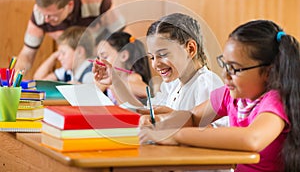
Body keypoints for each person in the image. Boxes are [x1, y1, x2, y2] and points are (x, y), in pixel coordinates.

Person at [139, 20, 300, 172]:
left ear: (268, 72)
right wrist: (161, 123)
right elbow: (193, 117)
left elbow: (252, 139)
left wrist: (177, 136)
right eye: (225, 65)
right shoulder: (229, 95)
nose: (225, 75)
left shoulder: (275, 101)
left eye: (235, 69)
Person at [93, 13, 224, 114]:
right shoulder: (172, 84)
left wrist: (174, 118)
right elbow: (145, 111)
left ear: (190, 49)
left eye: (163, 55)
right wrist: (115, 81)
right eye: (152, 58)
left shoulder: (207, 84)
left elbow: (214, 133)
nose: (156, 65)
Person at [15, 0, 112, 74]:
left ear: (69, 5)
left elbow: (120, 39)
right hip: (73, 68)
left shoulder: (99, 0)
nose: (46, 20)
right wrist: (16, 77)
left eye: (52, 16)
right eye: (43, 14)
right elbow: (27, 53)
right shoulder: (39, 14)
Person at [95, 31, 152, 104]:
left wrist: (112, 84)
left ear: (124, 56)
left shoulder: (132, 77)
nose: (100, 62)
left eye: (104, 57)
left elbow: (146, 91)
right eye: (98, 58)